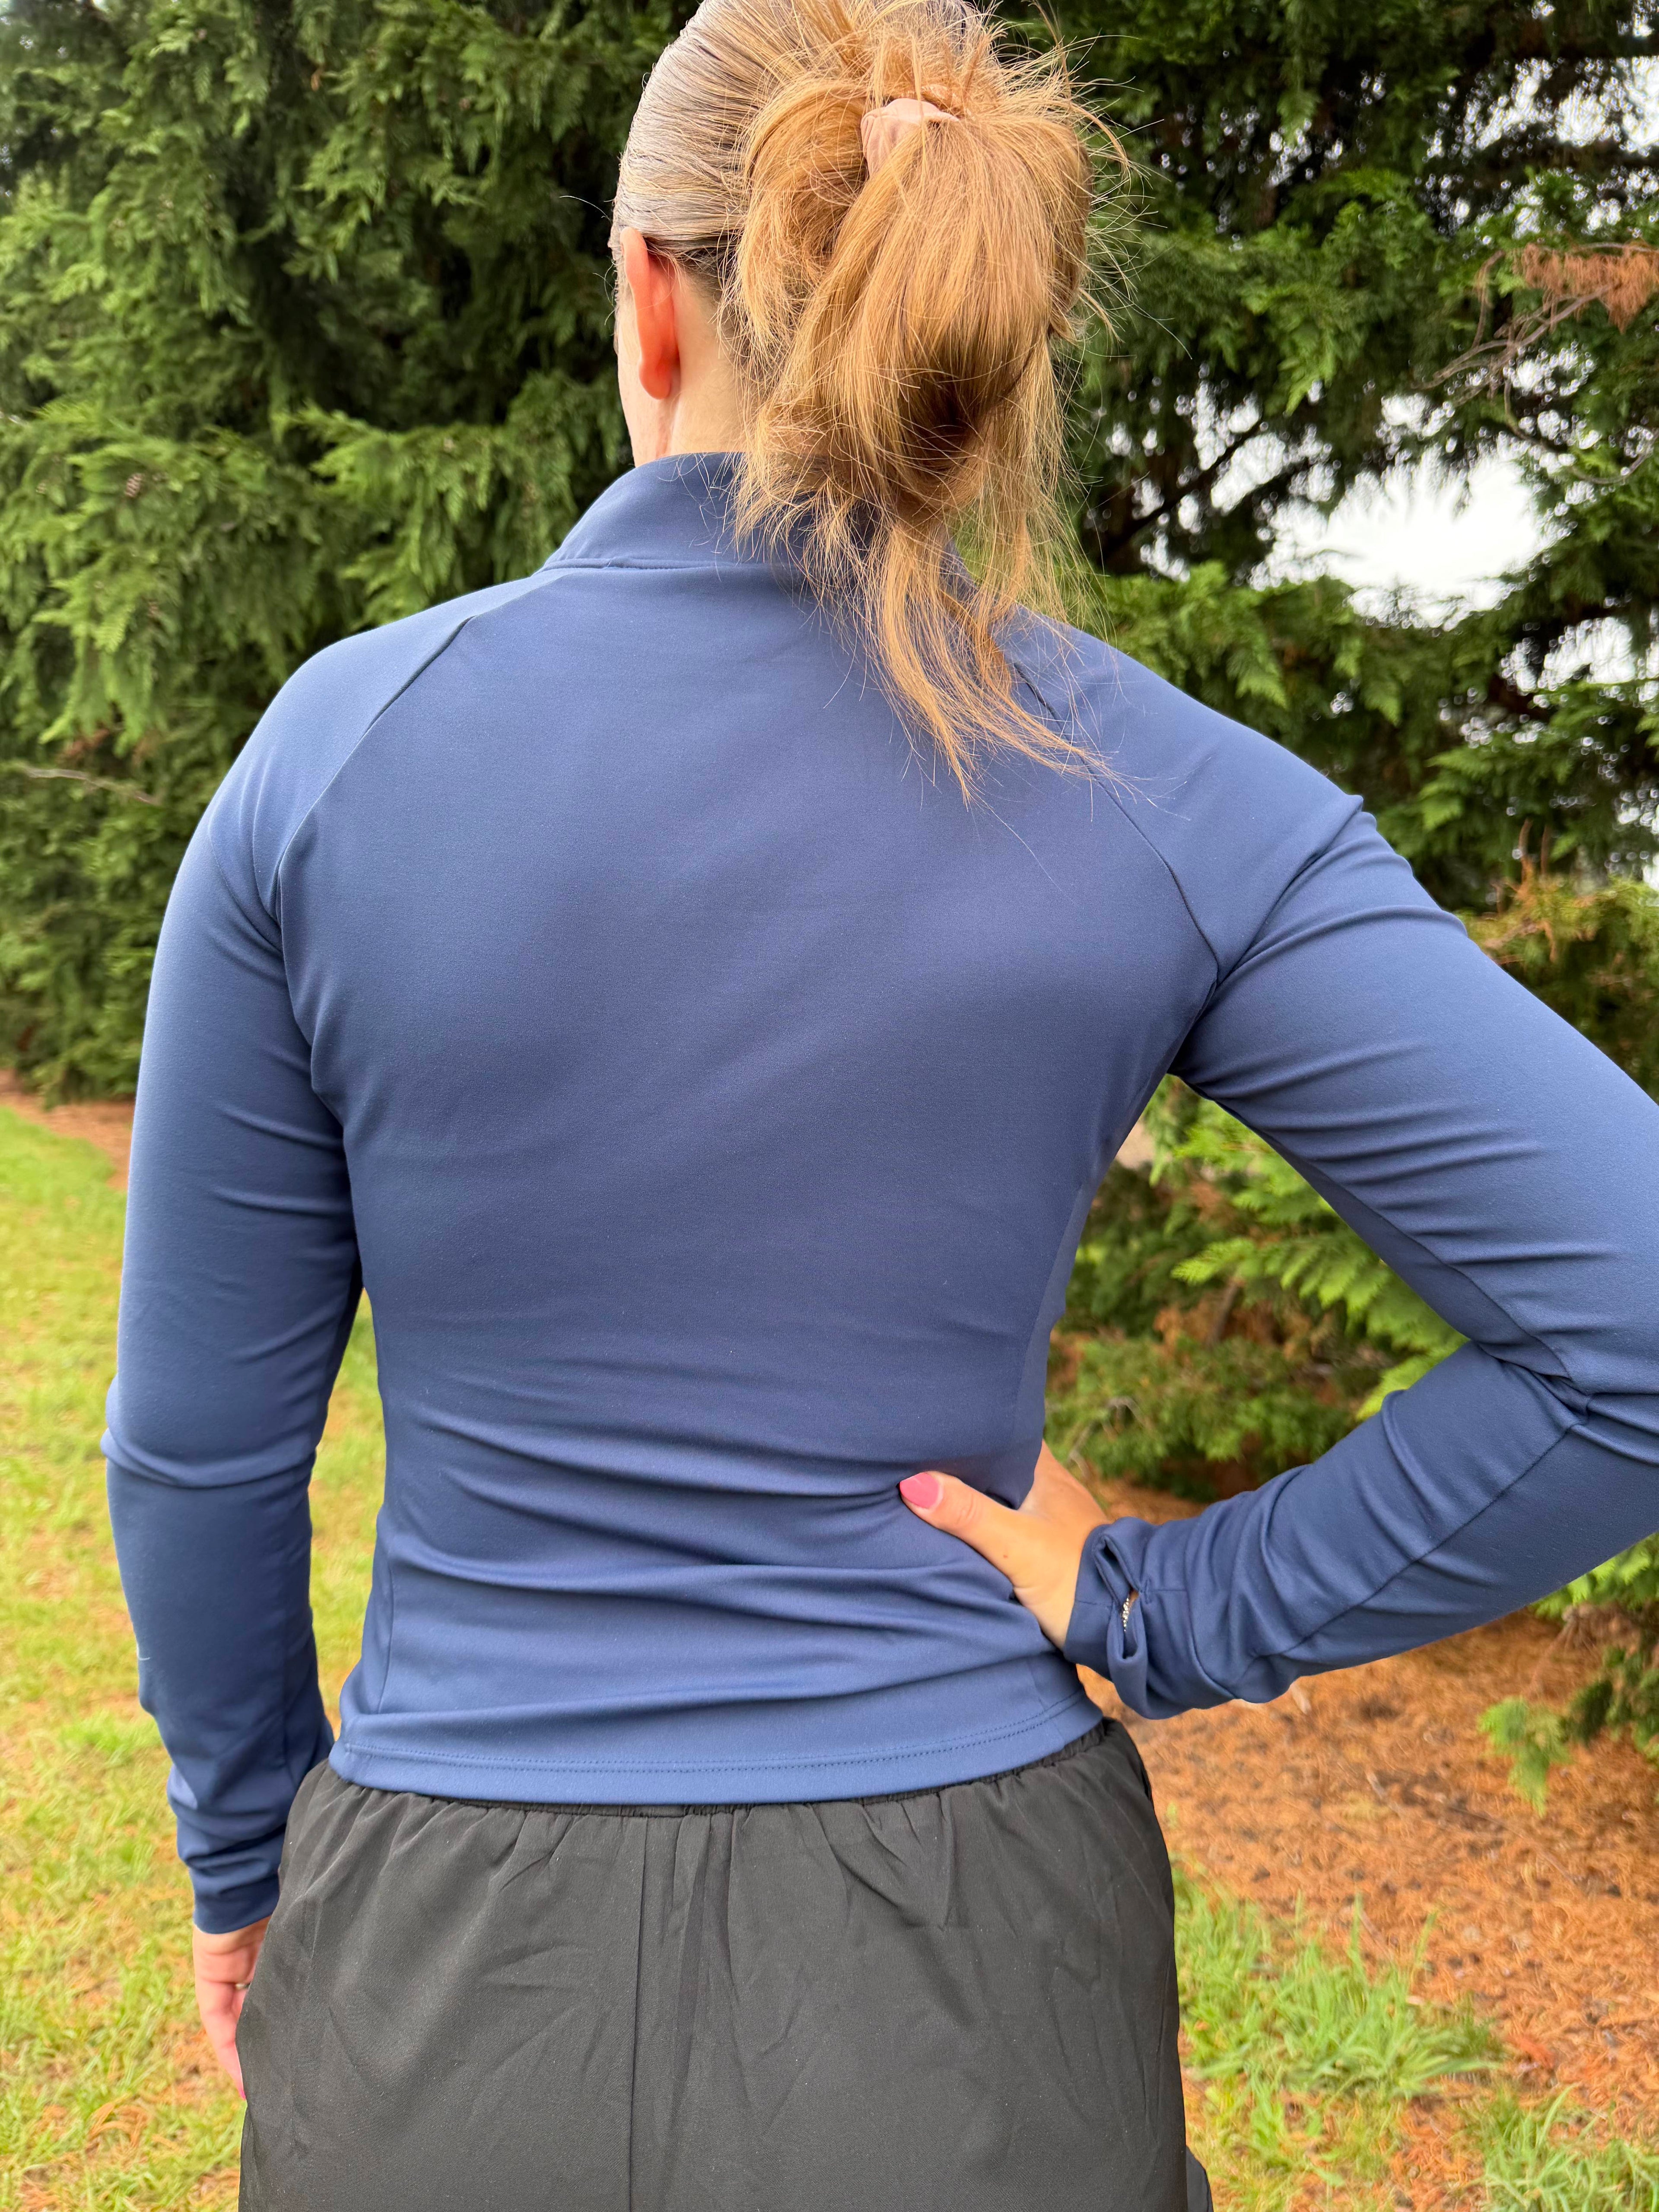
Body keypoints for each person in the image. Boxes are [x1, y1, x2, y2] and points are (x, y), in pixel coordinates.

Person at [103, 0, 1659, 2206]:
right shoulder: (1159, 792)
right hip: (972, 1994)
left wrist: (252, 1854)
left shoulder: (336, 760)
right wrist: (1172, 1605)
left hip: (447, 1979)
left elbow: (196, 1448)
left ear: (649, 297)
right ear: (986, 342)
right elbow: (1636, 1331)